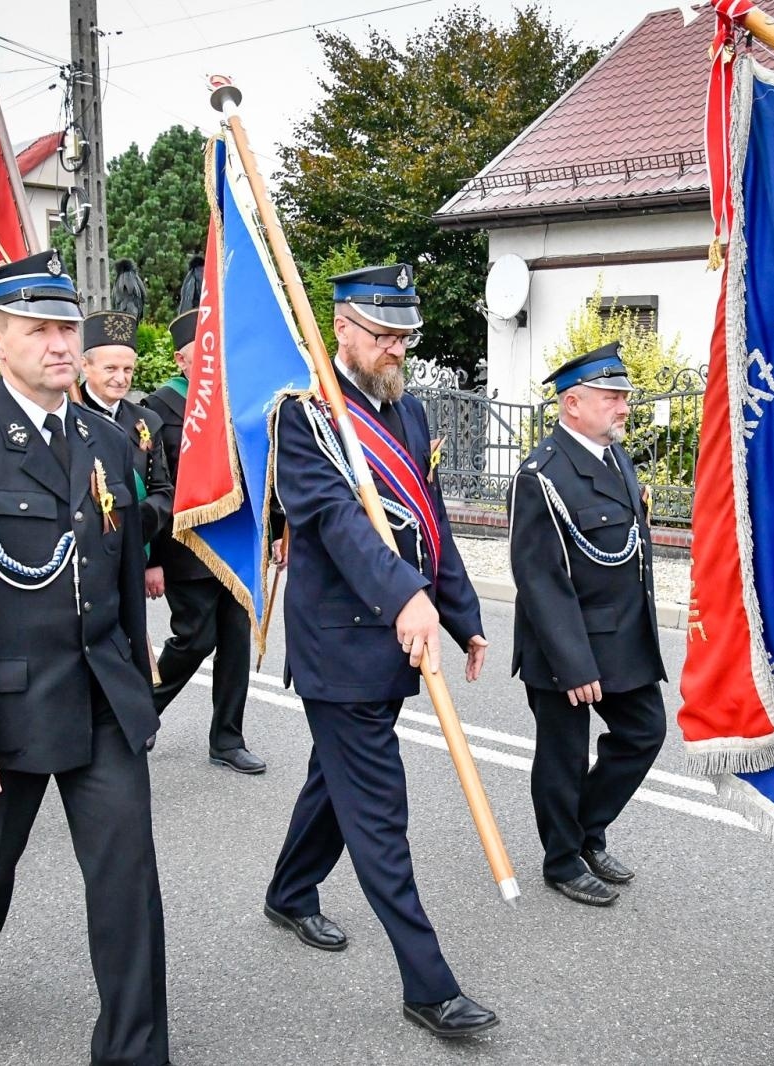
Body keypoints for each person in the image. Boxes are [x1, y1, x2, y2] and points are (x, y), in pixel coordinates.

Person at [0, 250, 167, 1066]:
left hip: (98, 702)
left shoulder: (107, 441)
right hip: (2, 713)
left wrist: (137, 686)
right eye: (40, 329)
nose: (61, 343)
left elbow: (121, 584)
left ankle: (133, 1051)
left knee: (128, 888)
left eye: (67, 327)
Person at [264, 263, 497, 1039]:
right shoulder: (304, 418)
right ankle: (428, 987)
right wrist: (407, 596)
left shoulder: (412, 414)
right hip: (341, 650)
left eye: (404, 335)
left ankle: (290, 891)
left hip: (403, 633)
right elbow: (336, 521)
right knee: (379, 815)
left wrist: (462, 615)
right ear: (343, 330)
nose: (397, 348)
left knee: (333, 783)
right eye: (383, 334)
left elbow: (432, 527)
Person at [508, 343, 667, 907]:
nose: (624, 406)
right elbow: (540, 581)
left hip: (620, 636)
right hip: (565, 646)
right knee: (563, 756)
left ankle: (586, 832)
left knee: (645, 732)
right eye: (612, 396)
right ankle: (561, 860)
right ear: (571, 404)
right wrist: (573, 664)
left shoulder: (614, 457)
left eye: (624, 396)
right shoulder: (542, 476)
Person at [142, 308, 265, 774]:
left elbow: (258, 465)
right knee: (196, 637)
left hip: (235, 538)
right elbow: (151, 484)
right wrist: (150, 558)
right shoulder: (157, 408)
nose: (214, 362)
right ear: (180, 359)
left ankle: (227, 739)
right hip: (185, 544)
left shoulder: (237, 404)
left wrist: (276, 528)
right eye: (203, 353)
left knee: (235, 639)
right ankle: (144, 708)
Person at [78, 310, 174, 564]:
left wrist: (132, 526)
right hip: (84, 558)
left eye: (127, 369)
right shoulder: (64, 417)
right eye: (111, 368)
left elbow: (163, 491)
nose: (121, 378)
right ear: (85, 366)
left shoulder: (148, 421)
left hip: (134, 553)